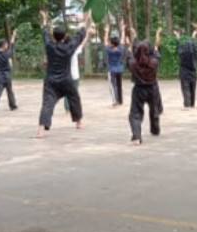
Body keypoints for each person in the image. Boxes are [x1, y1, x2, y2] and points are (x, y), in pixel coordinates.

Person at [34, 10, 92, 139]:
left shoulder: (49, 46)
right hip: (66, 79)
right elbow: (80, 36)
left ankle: (41, 129)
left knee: (47, 103)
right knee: (74, 98)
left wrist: (44, 20)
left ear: (53, 37)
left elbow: (44, 34)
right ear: (65, 36)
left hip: (50, 80)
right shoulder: (69, 47)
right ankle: (79, 122)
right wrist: (85, 20)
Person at [128, 28, 163, 145]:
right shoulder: (154, 62)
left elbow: (132, 51)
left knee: (135, 113)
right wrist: (157, 35)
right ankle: (155, 129)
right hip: (153, 88)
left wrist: (134, 37)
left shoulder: (132, 63)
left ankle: (136, 137)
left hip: (139, 89)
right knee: (154, 110)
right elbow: (156, 48)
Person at [0, 28, 18, 113]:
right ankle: (12, 105)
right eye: (6, 44)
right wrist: (13, 35)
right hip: (7, 75)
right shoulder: (7, 54)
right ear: (3, 45)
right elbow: (12, 45)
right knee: (9, 91)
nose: (7, 45)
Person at [64, 24, 90, 114]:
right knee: (74, 93)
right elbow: (83, 43)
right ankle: (73, 108)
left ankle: (67, 109)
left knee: (66, 93)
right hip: (74, 75)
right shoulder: (74, 49)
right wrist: (87, 34)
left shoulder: (61, 49)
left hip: (66, 75)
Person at [173, 28, 197, 110]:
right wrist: (193, 36)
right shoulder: (194, 53)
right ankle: (192, 104)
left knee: (185, 87)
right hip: (193, 72)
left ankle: (187, 105)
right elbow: (194, 46)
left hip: (184, 72)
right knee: (192, 88)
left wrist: (177, 36)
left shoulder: (182, 53)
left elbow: (179, 45)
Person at [104, 21, 127, 108]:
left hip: (112, 70)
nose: (109, 43)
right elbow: (122, 40)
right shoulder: (120, 49)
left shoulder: (109, 50)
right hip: (119, 69)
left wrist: (106, 31)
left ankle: (115, 102)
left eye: (110, 42)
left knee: (113, 86)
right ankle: (120, 101)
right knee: (119, 85)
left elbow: (105, 41)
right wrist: (123, 30)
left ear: (112, 44)